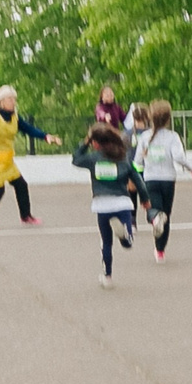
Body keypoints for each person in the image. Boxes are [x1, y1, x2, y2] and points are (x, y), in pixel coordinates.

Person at [71, 121, 141, 288]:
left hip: (101, 203)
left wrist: (85, 142)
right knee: (128, 241)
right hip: (122, 202)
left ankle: (107, 276)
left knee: (106, 242)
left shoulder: (93, 159)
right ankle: (125, 236)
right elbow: (137, 179)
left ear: (95, 143)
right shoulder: (122, 157)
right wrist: (145, 199)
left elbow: (76, 159)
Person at [0, 86, 49, 229]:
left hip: (6, 161)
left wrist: (45, 136)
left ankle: (26, 216)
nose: (13, 102)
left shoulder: (14, 118)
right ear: (1, 102)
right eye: (10, 99)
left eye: (14, 99)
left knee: (21, 185)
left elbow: (28, 129)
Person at [137, 101, 188, 264]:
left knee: (154, 211)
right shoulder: (172, 137)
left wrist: (134, 177)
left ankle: (154, 220)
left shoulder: (144, 137)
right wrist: (189, 167)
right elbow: (179, 157)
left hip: (150, 178)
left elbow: (137, 161)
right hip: (168, 179)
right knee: (166, 214)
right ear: (168, 119)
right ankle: (160, 250)